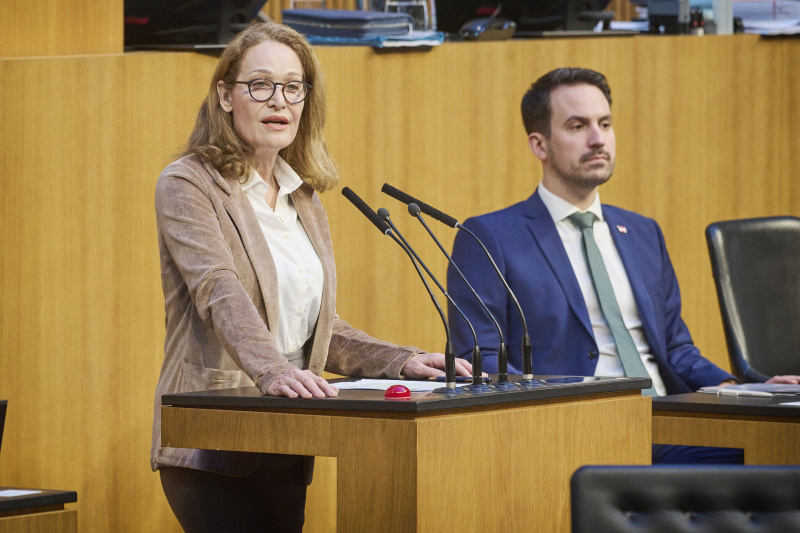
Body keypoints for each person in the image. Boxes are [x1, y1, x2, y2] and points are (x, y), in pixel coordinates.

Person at [151, 22, 473, 533]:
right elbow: (219, 290)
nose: (279, 99)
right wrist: (275, 371)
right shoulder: (189, 184)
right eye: (260, 84)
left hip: (293, 434)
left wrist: (402, 361)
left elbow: (320, 327)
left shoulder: (304, 197)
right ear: (226, 95)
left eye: (293, 86)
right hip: (215, 433)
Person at [447, 67, 800, 462]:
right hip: (572, 430)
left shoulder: (642, 232)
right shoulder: (489, 238)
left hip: (671, 420)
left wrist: (739, 387)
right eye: (578, 126)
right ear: (539, 145)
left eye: (605, 123)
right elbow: (483, 359)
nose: (598, 139)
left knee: (782, 450)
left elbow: (676, 349)